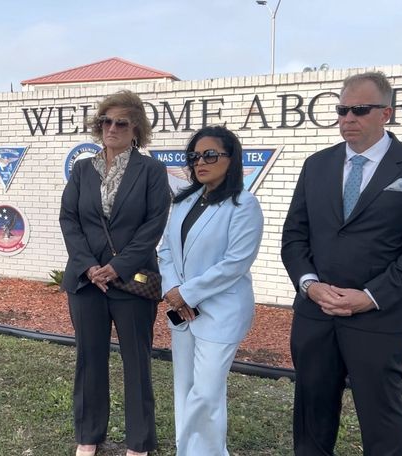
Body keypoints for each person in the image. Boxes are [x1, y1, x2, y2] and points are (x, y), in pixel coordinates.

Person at [282, 71, 402, 455]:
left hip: (378, 317)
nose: (348, 118)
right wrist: (309, 284)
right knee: (312, 415)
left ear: (386, 113)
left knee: (381, 418)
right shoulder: (316, 164)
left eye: (359, 110)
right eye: (342, 110)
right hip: (315, 314)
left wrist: (369, 296)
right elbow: (294, 237)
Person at [59, 89, 170, 456]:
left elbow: (153, 226)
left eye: (121, 122)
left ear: (136, 128)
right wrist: (90, 266)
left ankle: (138, 443)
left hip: (132, 281)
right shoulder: (82, 169)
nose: (112, 127)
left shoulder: (151, 171)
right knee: (89, 360)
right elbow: (70, 220)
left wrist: (116, 267)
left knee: (136, 362)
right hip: (87, 281)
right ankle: (88, 437)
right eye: (106, 120)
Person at [158, 126, 263, 455]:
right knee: (185, 388)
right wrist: (173, 288)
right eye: (194, 156)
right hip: (183, 312)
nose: (200, 162)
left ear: (231, 160)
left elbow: (235, 263)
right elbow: (166, 251)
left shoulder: (244, 205)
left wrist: (186, 293)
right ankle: (188, 450)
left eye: (210, 155)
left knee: (205, 393)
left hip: (222, 313)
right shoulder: (185, 200)